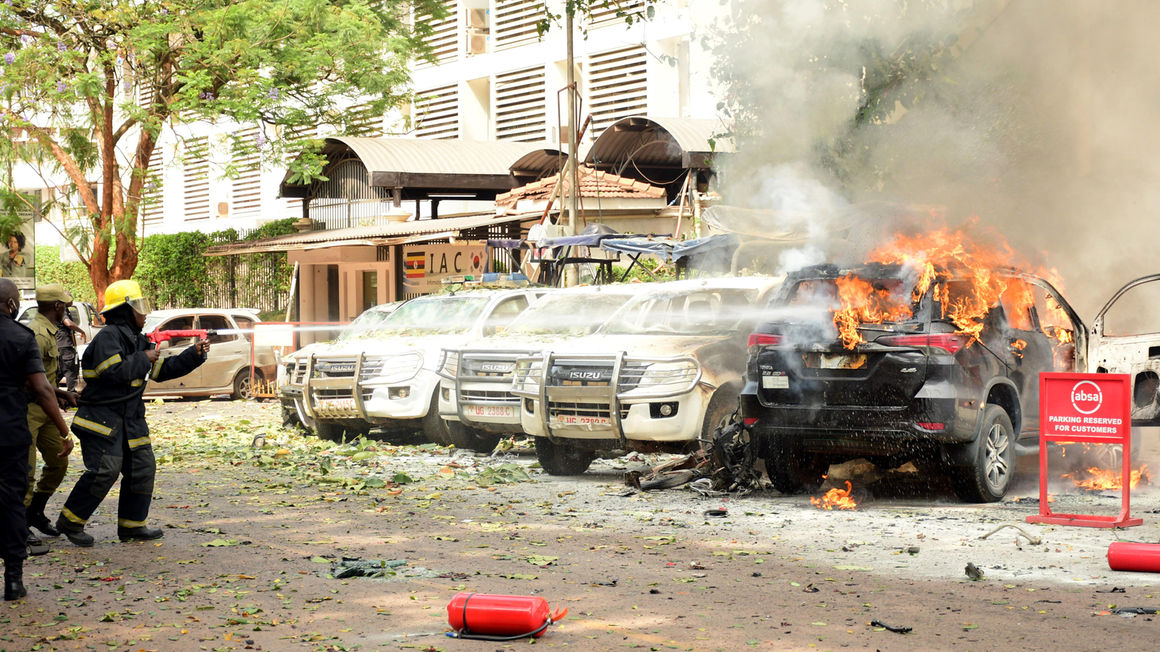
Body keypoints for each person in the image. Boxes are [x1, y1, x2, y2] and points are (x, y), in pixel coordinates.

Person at [56, 280, 208, 547]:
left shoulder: (138, 340)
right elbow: (111, 371)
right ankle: (70, 521)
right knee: (105, 470)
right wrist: (143, 358)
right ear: (125, 311)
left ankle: (132, 526)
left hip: (131, 421)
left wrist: (193, 355)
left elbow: (161, 371)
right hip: (102, 420)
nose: (144, 313)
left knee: (142, 468)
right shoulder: (108, 337)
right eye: (139, 307)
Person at [0, 278, 71, 601]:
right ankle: (13, 580)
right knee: (12, 502)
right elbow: (39, 388)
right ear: (12, 305)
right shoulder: (20, 336)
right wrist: (64, 429)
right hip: (10, 432)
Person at [25, 284, 79, 543]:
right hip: (28, 409)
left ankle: (34, 511)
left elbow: (43, 378)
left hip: (45, 405)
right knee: (25, 471)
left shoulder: (49, 329)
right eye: (64, 304)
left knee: (58, 463)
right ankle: (17, 527)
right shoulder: (36, 333)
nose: (66, 308)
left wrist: (59, 394)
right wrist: (63, 427)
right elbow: (29, 381)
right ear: (57, 306)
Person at [56, 302, 86, 393]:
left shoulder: (59, 310)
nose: (71, 301)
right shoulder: (62, 311)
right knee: (70, 372)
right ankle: (71, 395)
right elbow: (69, 324)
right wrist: (81, 331)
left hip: (60, 346)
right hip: (65, 347)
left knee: (60, 371)